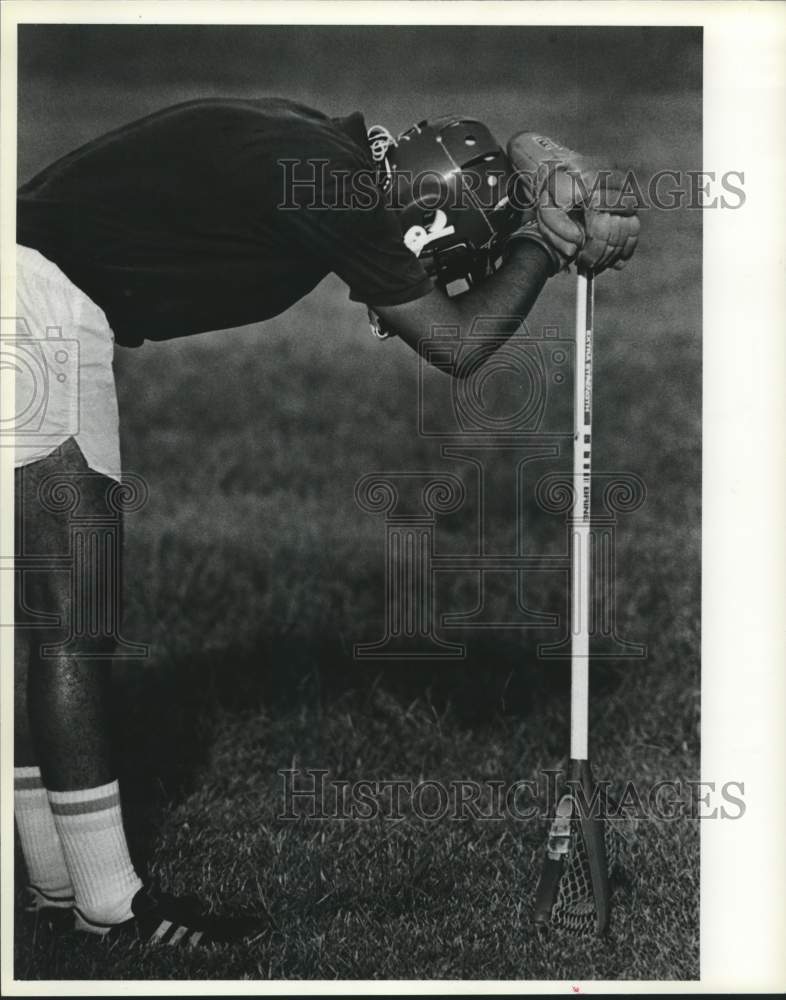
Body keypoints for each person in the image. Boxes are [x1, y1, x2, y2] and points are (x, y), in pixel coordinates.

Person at [13, 97, 639, 947]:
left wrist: (527, 168)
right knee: (71, 616)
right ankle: (109, 908)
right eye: (433, 258)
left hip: (35, 289)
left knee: (46, 613)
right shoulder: (343, 191)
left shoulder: (328, 152)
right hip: (35, 302)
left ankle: (56, 887)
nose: (406, 285)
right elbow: (458, 344)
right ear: (421, 218)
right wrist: (542, 244)